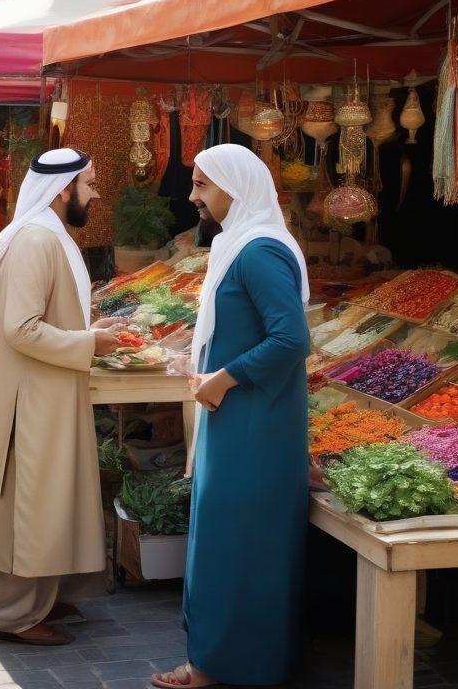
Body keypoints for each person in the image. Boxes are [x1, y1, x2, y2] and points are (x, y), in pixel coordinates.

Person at [151, 144, 309, 689]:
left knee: (239, 545)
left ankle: (227, 666)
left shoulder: (259, 252)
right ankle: (225, 661)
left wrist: (224, 377)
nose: (193, 196)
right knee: (231, 540)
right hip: (238, 416)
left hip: (254, 423)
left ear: (234, 189)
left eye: (202, 185)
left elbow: (291, 338)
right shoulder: (240, 246)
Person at [0, 148, 118, 646]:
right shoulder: (35, 240)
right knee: (27, 501)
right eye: (89, 184)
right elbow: (21, 329)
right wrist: (89, 342)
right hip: (31, 398)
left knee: (45, 498)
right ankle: (7, 614)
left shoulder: (42, 236)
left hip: (42, 390)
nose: (94, 194)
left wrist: (87, 330)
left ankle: (40, 598)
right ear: (62, 190)